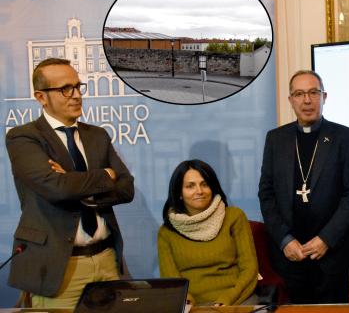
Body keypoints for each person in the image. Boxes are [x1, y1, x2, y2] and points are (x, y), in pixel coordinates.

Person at [5, 58, 135, 308]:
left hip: (107, 259)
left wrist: (74, 184)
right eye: (65, 89)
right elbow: (56, 188)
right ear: (41, 97)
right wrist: (106, 175)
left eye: (78, 87)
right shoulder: (24, 137)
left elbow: (126, 188)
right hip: (58, 267)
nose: (76, 95)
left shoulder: (96, 135)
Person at [258, 70, 349, 304]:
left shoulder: (345, 137)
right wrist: (284, 240)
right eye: (299, 94)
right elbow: (266, 194)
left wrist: (326, 239)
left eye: (313, 93)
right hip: (290, 256)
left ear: (324, 96)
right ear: (291, 100)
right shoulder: (276, 139)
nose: (307, 100)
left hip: (332, 255)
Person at [158, 159, 258, 306]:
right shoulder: (166, 232)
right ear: (179, 193)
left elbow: (249, 269)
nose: (199, 191)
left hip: (237, 300)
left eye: (204, 184)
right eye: (190, 186)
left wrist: (227, 300)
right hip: (191, 306)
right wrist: (189, 304)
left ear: (212, 188)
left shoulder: (234, 217)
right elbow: (172, 281)